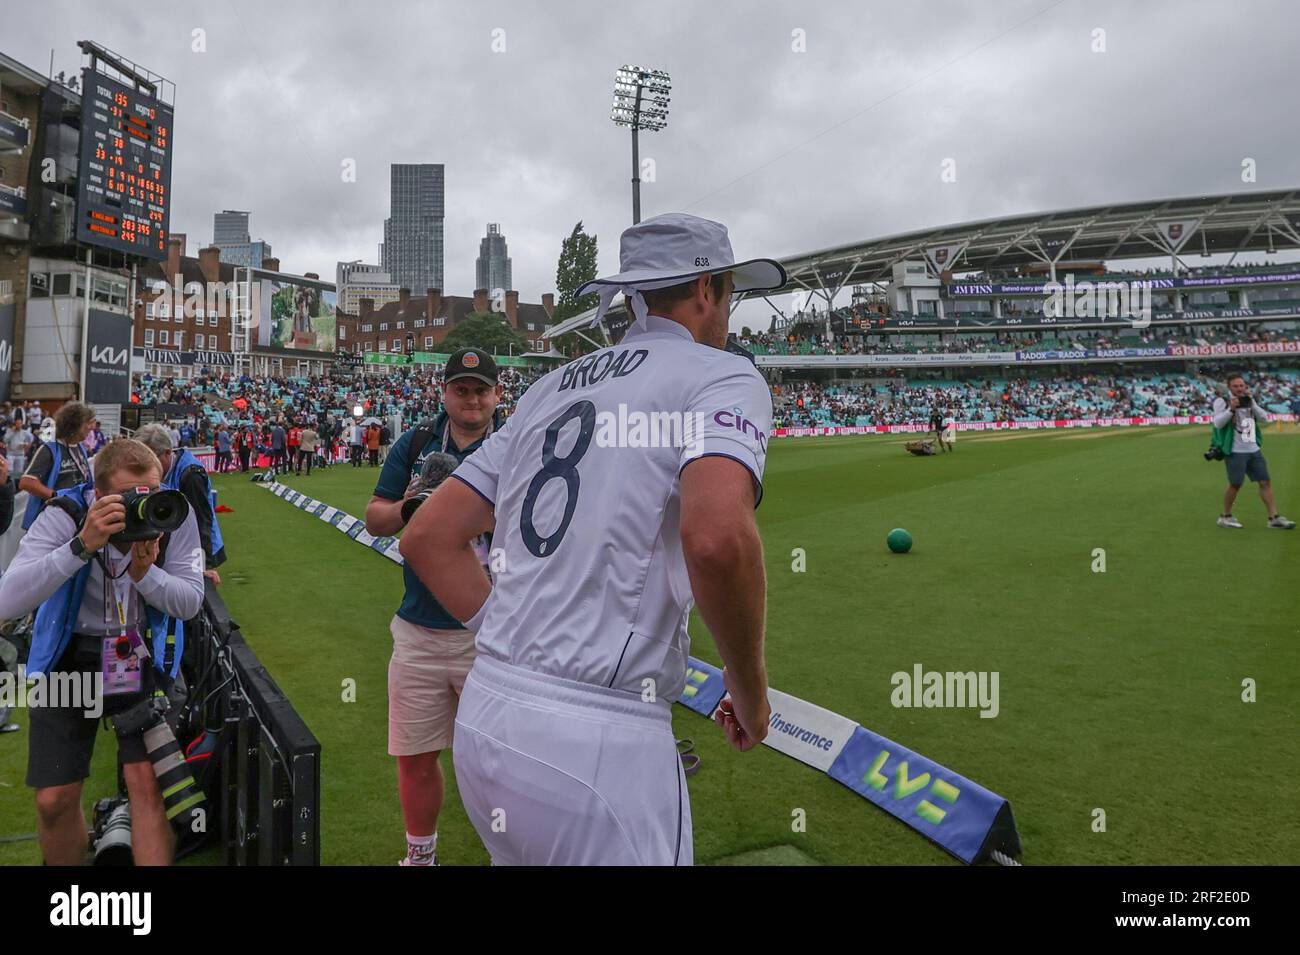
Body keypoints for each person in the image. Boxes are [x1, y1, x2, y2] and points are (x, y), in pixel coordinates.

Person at [402, 213, 783, 865]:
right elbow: (718, 539)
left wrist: (523, 636)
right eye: (730, 293)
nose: (728, 312)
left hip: (489, 713)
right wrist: (750, 693)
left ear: (633, 295)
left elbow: (428, 537)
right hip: (599, 743)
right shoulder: (723, 374)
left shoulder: (548, 388)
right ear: (706, 289)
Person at [0, 438, 204, 865]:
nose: (143, 509)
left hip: (132, 652)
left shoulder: (172, 511)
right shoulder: (67, 513)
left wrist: (146, 576)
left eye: (150, 492)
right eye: (129, 499)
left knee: (147, 785)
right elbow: (6, 601)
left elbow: (189, 601)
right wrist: (81, 546)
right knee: (53, 799)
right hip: (70, 655)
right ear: (98, 493)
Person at [366, 348, 502, 866]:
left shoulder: (519, 443)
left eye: (481, 389)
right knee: (416, 755)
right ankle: (420, 857)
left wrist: (472, 518)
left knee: (497, 760)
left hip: (493, 630)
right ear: (444, 393)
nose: (471, 398)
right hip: (419, 626)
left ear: (497, 394)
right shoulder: (417, 442)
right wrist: (413, 507)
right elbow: (376, 516)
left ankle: (507, 851)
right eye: (462, 389)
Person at [1212, 374, 1294, 529]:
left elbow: (1264, 418)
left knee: (1265, 481)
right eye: (1235, 386)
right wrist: (1231, 409)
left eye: (1242, 385)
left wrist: (1252, 404)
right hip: (1235, 450)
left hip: (1252, 448)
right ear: (1229, 387)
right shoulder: (1222, 401)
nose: (1239, 388)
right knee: (1235, 484)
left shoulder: (1249, 399)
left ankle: (1273, 518)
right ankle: (1226, 516)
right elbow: (1217, 423)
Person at [19, 401, 95, 530]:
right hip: (52, 521)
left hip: (75, 518)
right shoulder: (49, 449)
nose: (91, 427)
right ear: (74, 425)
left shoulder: (80, 448)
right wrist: (57, 497)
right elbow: (26, 482)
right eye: (87, 422)